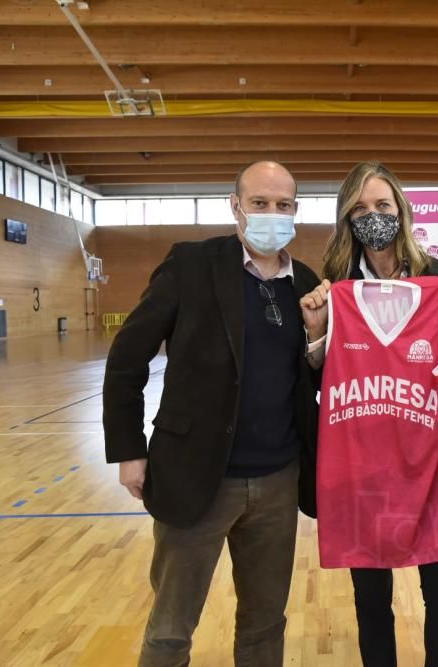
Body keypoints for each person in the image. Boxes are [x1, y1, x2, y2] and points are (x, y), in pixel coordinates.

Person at [102, 161, 321, 667]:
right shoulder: (191, 264)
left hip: (278, 479)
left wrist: (318, 338)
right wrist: (129, 450)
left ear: (296, 211)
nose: (272, 213)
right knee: (171, 629)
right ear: (235, 205)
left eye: (283, 205)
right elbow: (127, 357)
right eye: (260, 203)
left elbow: (313, 377)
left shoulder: (307, 283)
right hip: (196, 474)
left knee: (266, 625)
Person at [300, 161, 438, 667]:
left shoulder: (437, 276)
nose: (373, 216)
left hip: (431, 465)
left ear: (401, 210)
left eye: (382, 205)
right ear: (347, 219)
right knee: (371, 601)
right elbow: (321, 379)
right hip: (363, 468)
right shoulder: (335, 285)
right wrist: (316, 333)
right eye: (360, 209)